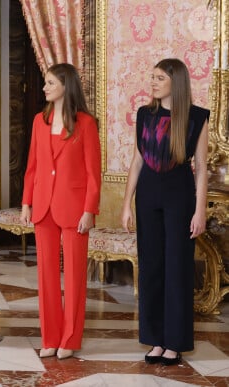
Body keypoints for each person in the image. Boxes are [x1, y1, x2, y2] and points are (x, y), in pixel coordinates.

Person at [121, 58, 209, 366]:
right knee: (152, 267)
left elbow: (200, 169)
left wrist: (200, 211)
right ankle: (156, 339)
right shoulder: (145, 115)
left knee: (177, 268)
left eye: (159, 77)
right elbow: (137, 161)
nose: (153, 82)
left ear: (176, 82)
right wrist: (126, 204)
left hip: (180, 194)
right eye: (152, 77)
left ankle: (175, 342)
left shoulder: (196, 117)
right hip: (147, 193)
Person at [20, 63, 101, 360]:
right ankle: (50, 336)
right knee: (46, 276)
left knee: (76, 275)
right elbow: (32, 167)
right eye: (45, 82)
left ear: (66, 85)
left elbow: (94, 173)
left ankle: (70, 337)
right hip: (43, 207)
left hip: (75, 209)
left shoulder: (86, 124)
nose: (44, 87)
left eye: (50, 82)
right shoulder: (38, 122)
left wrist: (89, 209)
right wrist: (27, 202)